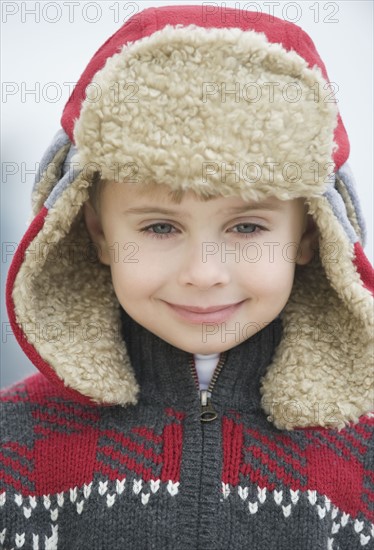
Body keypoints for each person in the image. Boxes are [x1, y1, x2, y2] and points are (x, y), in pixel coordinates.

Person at [1, 5, 373, 549]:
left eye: (247, 227)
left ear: (312, 236)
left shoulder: (360, 460)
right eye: (158, 226)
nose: (204, 273)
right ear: (97, 232)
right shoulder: (16, 444)